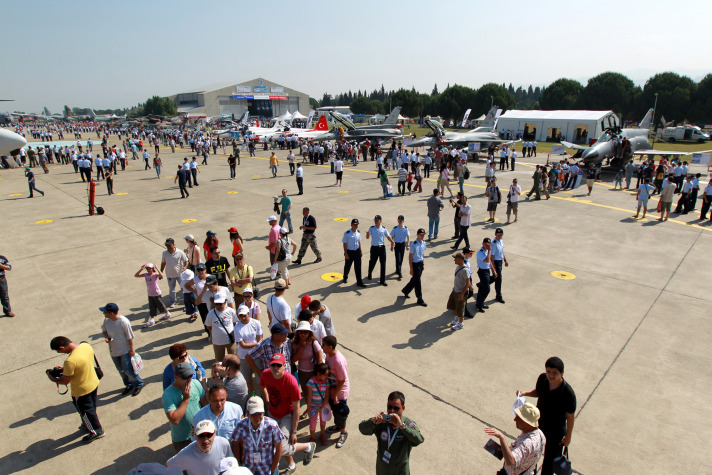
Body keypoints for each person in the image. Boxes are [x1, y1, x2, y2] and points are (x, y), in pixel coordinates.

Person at [518, 357, 576, 475]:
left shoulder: (568, 393)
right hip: (538, 426)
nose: (551, 375)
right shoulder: (543, 379)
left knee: (549, 464)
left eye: (555, 373)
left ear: (562, 373)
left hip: (555, 433)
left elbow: (570, 417)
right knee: (532, 456)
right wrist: (525, 393)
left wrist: (568, 437)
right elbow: (538, 392)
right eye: (548, 371)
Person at [260, 353, 317, 472]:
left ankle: (308, 446)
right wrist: (266, 399)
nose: (275, 368)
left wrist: (294, 432)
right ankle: (291, 465)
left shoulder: (291, 381)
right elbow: (262, 386)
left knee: (280, 446)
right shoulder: (265, 374)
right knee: (275, 442)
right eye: (273, 365)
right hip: (272, 414)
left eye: (278, 365)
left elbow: (297, 408)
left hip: (287, 416)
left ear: (284, 366)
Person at [47, 336, 104, 443]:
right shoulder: (85, 346)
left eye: (58, 351)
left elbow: (64, 381)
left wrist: (51, 377)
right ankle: (90, 424)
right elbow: (83, 363)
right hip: (93, 383)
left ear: (62, 348)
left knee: (86, 412)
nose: (59, 352)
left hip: (81, 391)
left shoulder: (70, 361)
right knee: (92, 408)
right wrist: (66, 370)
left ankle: (97, 431)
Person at [358, 391, 424, 475]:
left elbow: (419, 439)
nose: (392, 411)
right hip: (383, 469)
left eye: (396, 408)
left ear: (403, 408)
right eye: (389, 407)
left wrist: (402, 426)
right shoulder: (382, 422)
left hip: (400, 470)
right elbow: (362, 429)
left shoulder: (407, 424)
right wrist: (373, 422)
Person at [484, 402, 546, 475]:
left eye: (519, 418)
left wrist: (502, 437)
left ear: (528, 423)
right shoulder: (540, 435)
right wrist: (500, 450)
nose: (514, 419)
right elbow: (526, 456)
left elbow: (511, 461)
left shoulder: (527, 443)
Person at [231, 396, 284, 475]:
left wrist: (273, 468)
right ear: (248, 414)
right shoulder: (241, 425)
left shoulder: (272, 425)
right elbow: (235, 443)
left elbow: (279, 446)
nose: (257, 418)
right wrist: (239, 463)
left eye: (259, 414)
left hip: (268, 469)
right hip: (249, 469)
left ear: (263, 412)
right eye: (253, 414)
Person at [100, 302, 144, 396]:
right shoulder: (106, 321)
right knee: (121, 371)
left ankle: (138, 383)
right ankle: (128, 385)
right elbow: (104, 331)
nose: (103, 313)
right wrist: (106, 337)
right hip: (114, 351)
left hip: (124, 351)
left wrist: (131, 350)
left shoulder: (123, 321)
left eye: (105, 312)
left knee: (128, 370)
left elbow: (130, 337)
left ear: (111, 313)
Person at [163, 361, 208, 453]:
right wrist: (186, 399)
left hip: (199, 432)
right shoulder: (168, 395)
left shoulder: (196, 384)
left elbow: (205, 404)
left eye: (190, 376)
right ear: (175, 377)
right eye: (185, 378)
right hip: (183, 439)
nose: (189, 380)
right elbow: (175, 420)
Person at [167, 420, 233, 475]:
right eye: (201, 436)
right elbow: (165, 468)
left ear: (215, 433)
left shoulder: (224, 444)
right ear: (195, 436)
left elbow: (231, 465)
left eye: (209, 435)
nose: (205, 440)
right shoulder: (186, 454)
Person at [322, 335, 350, 448]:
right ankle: (338, 426)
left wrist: (335, 396)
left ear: (330, 346)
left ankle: (343, 432)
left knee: (340, 413)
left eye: (323, 345)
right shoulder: (329, 355)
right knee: (334, 410)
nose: (321, 347)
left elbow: (342, 379)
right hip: (333, 390)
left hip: (340, 392)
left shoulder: (339, 361)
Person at [233, 305, 263, 393]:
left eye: (244, 315)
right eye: (240, 316)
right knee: (248, 378)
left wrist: (257, 344)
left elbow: (260, 338)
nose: (243, 318)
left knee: (259, 376)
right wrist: (257, 345)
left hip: (256, 355)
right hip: (243, 356)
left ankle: (262, 394)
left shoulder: (256, 323)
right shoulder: (237, 328)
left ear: (248, 314)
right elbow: (242, 345)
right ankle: (253, 393)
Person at [135, 263, 171, 328]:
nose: (148, 269)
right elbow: (136, 275)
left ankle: (167, 313)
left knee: (160, 305)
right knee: (152, 307)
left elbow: (161, 275)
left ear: (152, 269)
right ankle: (152, 319)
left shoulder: (155, 275)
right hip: (150, 294)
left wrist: (157, 268)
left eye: (150, 268)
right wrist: (141, 269)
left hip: (156, 293)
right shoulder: (146, 274)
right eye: (147, 268)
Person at [205, 294, 238, 361]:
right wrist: (212, 337)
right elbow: (209, 327)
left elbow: (235, 323)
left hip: (230, 340)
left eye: (220, 304)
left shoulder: (231, 311)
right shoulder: (210, 314)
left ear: (225, 302)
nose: (218, 306)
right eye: (216, 304)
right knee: (219, 360)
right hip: (217, 342)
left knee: (233, 359)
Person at [401, 228, 427, 307]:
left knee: (415, 279)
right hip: (415, 264)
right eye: (420, 235)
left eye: (423, 235)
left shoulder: (423, 243)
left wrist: (423, 263)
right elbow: (410, 257)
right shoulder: (413, 244)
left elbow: (422, 253)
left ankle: (406, 290)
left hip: (420, 263)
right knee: (417, 282)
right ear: (417, 235)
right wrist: (411, 269)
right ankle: (419, 298)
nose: (422, 236)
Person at [306, 363, 331, 445]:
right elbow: (309, 396)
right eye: (325, 375)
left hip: (323, 406)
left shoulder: (326, 382)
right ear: (319, 374)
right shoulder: (311, 382)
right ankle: (312, 437)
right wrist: (309, 408)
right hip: (313, 407)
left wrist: (322, 407)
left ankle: (322, 435)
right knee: (312, 423)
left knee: (323, 421)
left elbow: (327, 396)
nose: (326, 377)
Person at [367, 215, 395, 286]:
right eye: (375, 220)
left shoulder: (384, 229)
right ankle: (370, 272)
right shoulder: (371, 228)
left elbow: (387, 236)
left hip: (382, 248)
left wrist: (392, 242)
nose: (375, 221)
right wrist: (367, 235)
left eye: (377, 220)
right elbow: (367, 237)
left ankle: (382, 280)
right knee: (372, 262)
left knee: (383, 264)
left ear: (380, 221)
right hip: (374, 248)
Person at [447, 252, 472, 331]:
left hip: (460, 293)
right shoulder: (458, 267)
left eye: (456, 259)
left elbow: (467, 282)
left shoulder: (465, 270)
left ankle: (461, 324)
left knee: (460, 309)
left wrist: (462, 294)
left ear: (460, 260)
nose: (454, 260)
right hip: (455, 290)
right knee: (452, 306)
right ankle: (457, 318)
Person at [162, 238, 188, 308]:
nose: (168, 247)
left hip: (180, 274)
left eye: (169, 245)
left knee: (183, 289)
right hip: (170, 275)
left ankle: (186, 302)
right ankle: (173, 301)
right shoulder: (164, 253)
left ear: (173, 244)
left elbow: (186, 260)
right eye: (167, 245)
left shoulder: (179, 252)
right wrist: (161, 272)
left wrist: (185, 267)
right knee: (172, 290)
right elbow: (163, 263)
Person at [475, 237, 497, 313]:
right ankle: (480, 304)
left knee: (483, 288)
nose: (488, 246)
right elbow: (487, 260)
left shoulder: (486, 252)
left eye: (489, 245)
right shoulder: (481, 252)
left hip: (487, 271)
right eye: (487, 244)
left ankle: (480, 303)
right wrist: (490, 251)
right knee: (486, 289)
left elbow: (489, 262)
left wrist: (493, 270)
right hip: (482, 272)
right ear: (483, 244)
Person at [342, 218, 365, 287]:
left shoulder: (358, 232)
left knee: (358, 267)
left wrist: (360, 250)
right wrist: (346, 253)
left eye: (357, 224)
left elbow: (359, 242)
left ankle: (359, 281)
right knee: (347, 266)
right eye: (354, 224)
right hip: (349, 252)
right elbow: (344, 244)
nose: (356, 225)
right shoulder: (347, 233)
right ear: (351, 225)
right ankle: (345, 277)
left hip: (357, 251)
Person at [491, 228, 508, 304]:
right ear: (495, 234)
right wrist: (493, 269)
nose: (499, 236)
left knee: (496, 277)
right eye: (498, 235)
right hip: (496, 262)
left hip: (500, 261)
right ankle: (499, 295)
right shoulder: (493, 243)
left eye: (500, 235)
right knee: (498, 279)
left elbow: (502, 251)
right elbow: (492, 257)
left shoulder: (501, 241)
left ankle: (482, 284)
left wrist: (505, 260)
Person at [391, 215, 411, 280]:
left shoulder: (405, 228)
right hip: (396, 245)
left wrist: (408, 245)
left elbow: (408, 237)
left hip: (402, 245)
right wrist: (392, 245)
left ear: (403, 221)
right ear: (397, 221)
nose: (400, 222)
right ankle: (399, 273)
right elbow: (392, 237)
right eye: (399, 220)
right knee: (398, 259)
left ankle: (397, 270)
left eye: (401, 221)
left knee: (401, 259)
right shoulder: (395, 228)